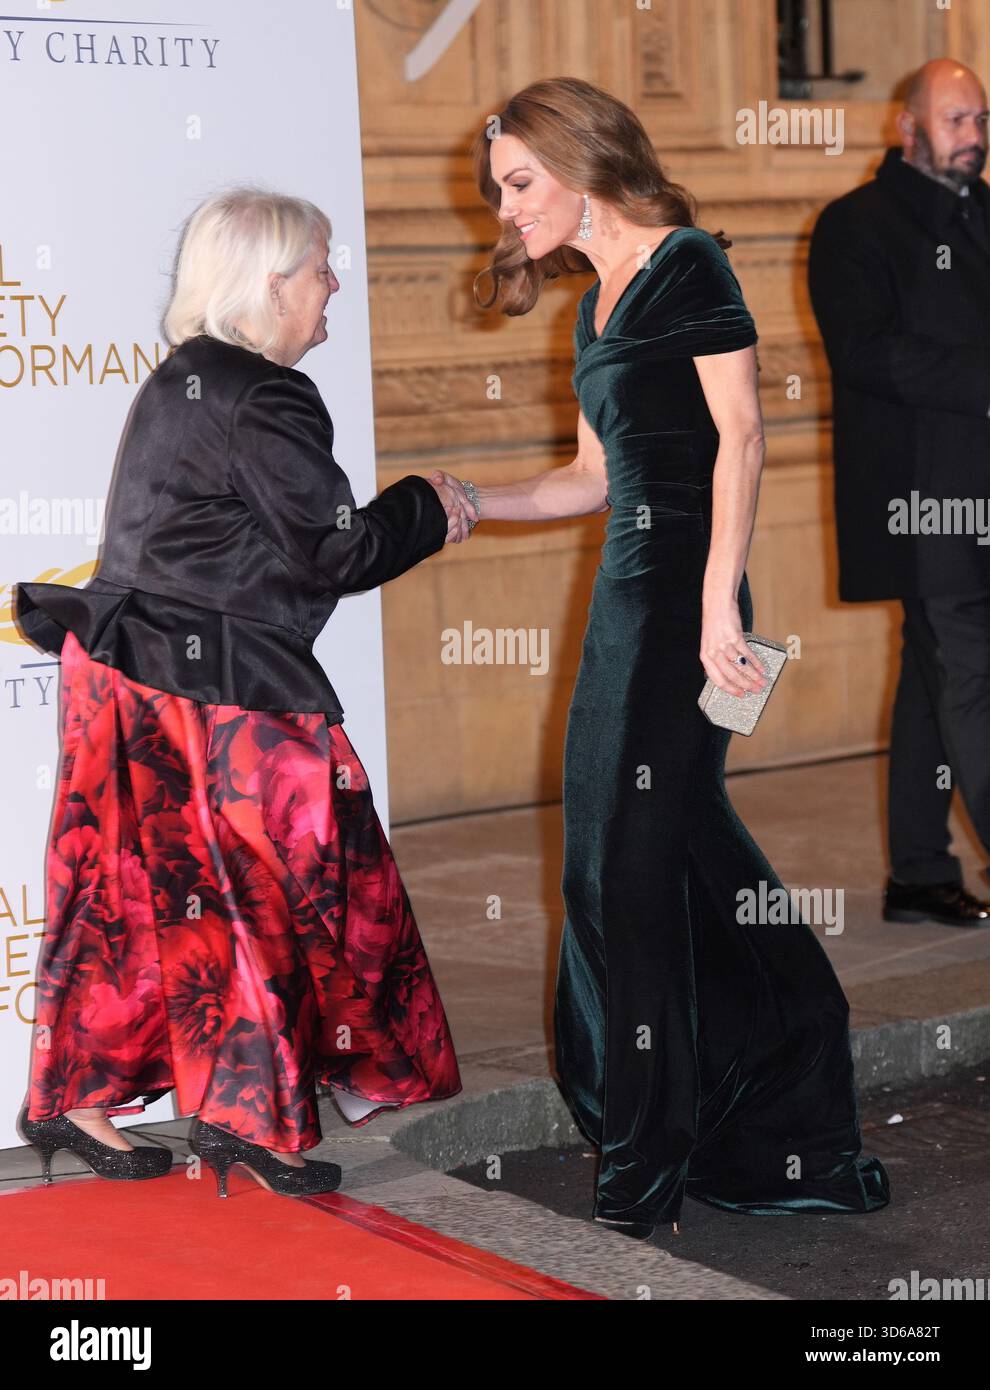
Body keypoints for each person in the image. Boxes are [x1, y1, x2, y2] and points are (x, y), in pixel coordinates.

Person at [432, 77, 890, 1238]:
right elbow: (591, 478)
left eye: (519, 183)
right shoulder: (594, 309)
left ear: (581, 163)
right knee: (655, 856)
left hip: (692, 604)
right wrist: (471, 499)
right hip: (625, 605)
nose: (507, 209)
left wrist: (717, 607)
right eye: (499, 189)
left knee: (629, 874)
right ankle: (782, 1086)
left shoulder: (688, 264)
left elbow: (743, 434)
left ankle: (642, 1168)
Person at [13, 187, 473, 1197]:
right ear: (272, 285)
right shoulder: (267, 394)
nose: (334, 284)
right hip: (211, 694)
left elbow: (236, 549)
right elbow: (335, 551)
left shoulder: (184, 377)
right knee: (275, 893)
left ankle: (77, 1095)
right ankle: (248, 1121)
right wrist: (430, 505)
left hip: (127, 673)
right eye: (319, 267)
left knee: (124, 892)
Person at [808, 59, 990, 930]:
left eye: (981, 120)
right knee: (971, 677)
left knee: (932, 676)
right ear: (907, 127)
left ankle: (918, 872)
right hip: (925, 505)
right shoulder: (854, 225)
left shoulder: (986, 214)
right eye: (956, 120)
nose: (974, 137)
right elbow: (864, 353)